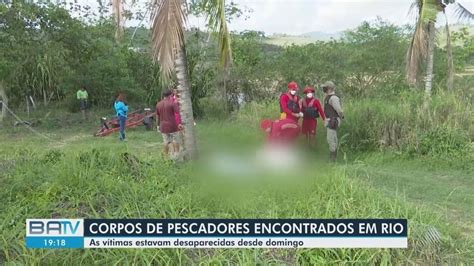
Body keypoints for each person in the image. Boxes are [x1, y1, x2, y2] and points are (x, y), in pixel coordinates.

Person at [156, 90, 183, 157]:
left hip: (163, 126)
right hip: (172, 125)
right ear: (170, 95)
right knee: (175, 140)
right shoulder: (172, 103)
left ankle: (166, 156)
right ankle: (176, 155)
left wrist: (158, 125)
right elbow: (177, 112)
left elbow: (157, 116)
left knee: (166, 141)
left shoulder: (158, 104)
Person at [322, 81, 344, 162]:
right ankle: (334, 158)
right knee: (333, 139)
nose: (323, 89)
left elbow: (339, 110)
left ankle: (332, 160)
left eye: (325, 87)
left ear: (329, 88)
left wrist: (341, 117)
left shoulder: (333, 98)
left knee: (331, 139)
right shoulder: (328, 97)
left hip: (332, 121)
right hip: (330, 120)